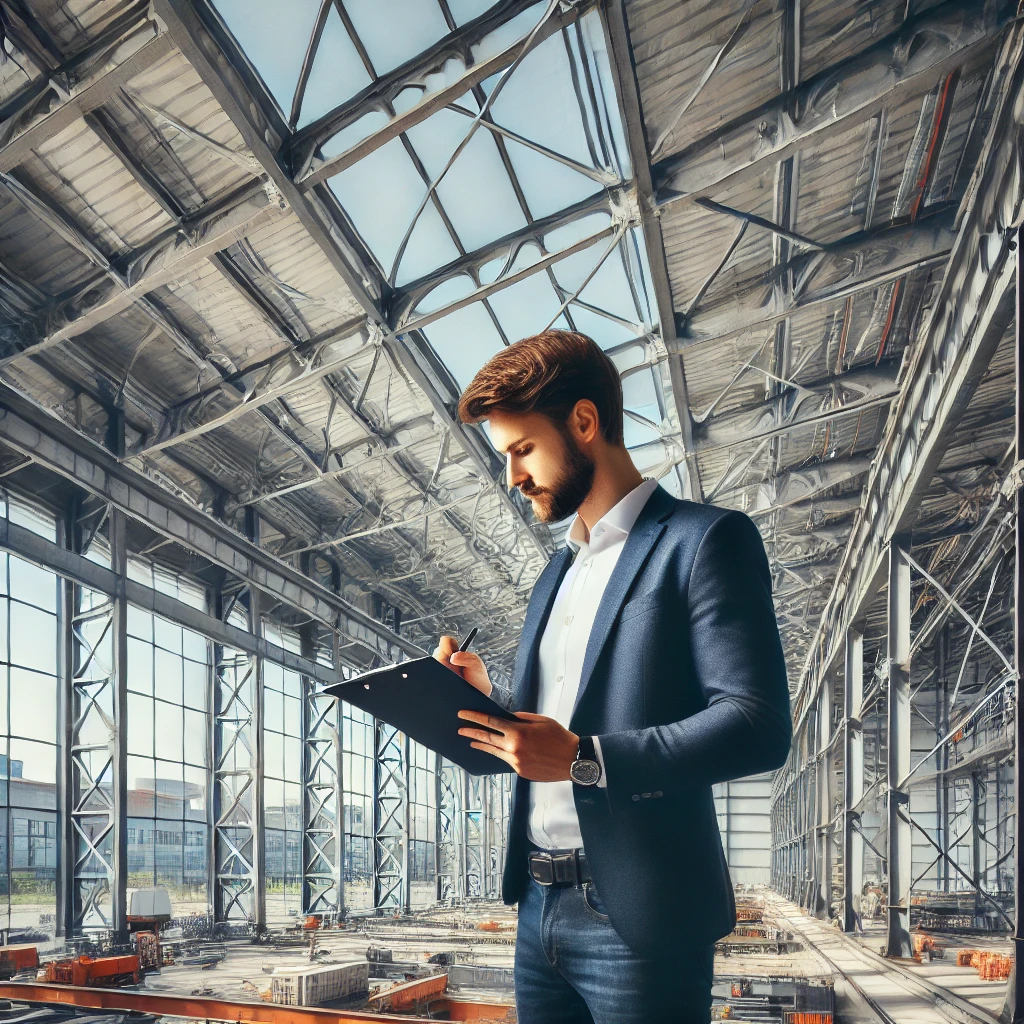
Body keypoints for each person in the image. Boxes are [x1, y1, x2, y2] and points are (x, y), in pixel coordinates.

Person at [432, 330, 792, 1023]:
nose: (512, 477)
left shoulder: (704, 541)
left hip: (642, 915)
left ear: (585, 423)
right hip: (539, 907)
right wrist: (485, 700)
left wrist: (583, 761)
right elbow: (565, 724)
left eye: (521, 449)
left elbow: (756, 723)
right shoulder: (553, 576)